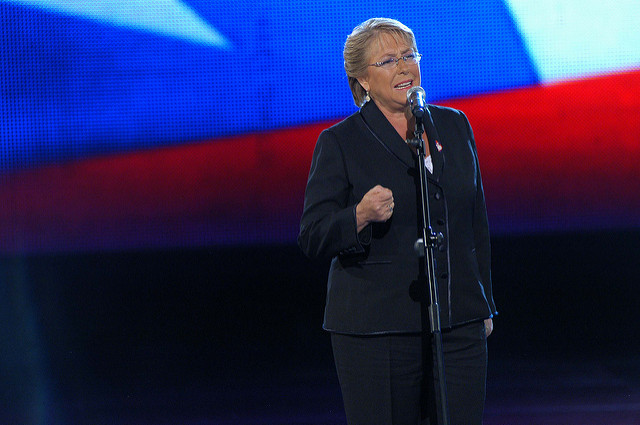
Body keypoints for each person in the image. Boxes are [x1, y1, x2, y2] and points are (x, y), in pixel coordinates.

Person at [298, 17, 497, 425]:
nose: (404, 68)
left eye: (409, 56)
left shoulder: (454, 126)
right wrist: (359, 216)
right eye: (388, 60)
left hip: (458, 321)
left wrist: (483, 303)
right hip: (377, 331)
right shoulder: (340, 141)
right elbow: (314, 234)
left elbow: (475, 224)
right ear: (363, 80)